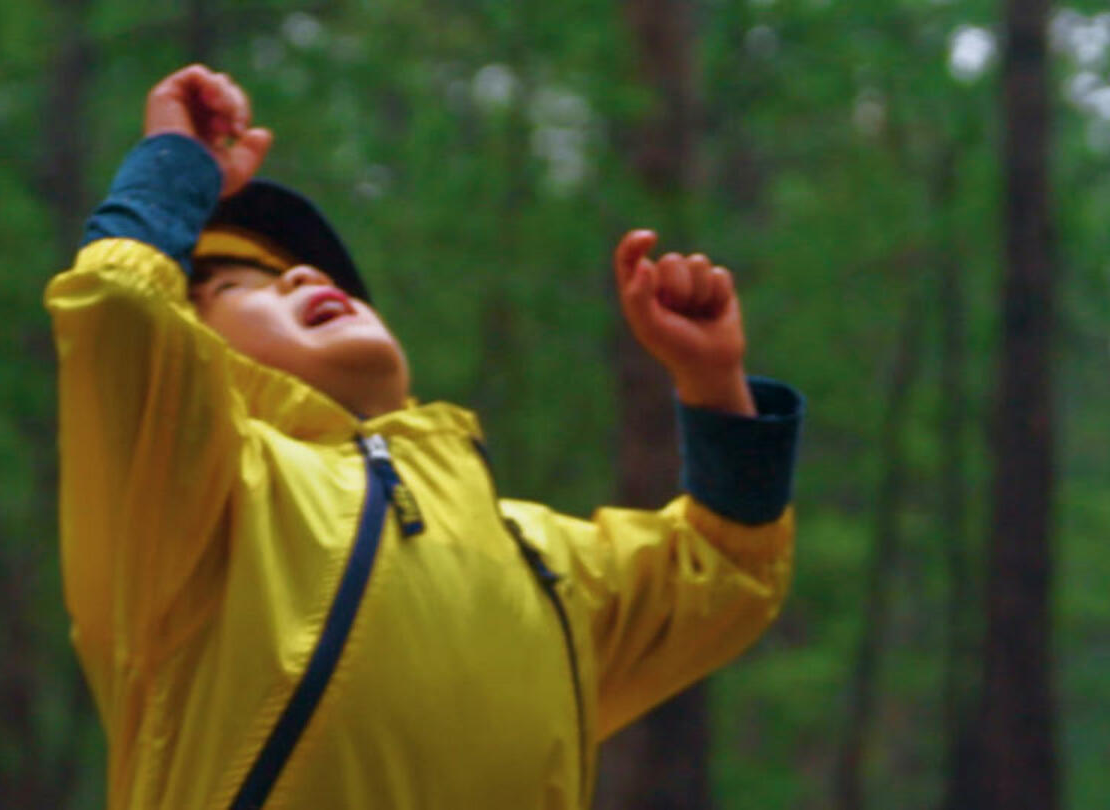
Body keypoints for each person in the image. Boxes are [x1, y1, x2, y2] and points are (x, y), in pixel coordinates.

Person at [46, 65, 803, 810]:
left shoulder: (536, 556)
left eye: (310, 271)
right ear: (195, 355)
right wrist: (177, 165)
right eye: (242, 287)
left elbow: (726, 569)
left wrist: (713, 385)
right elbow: (120, 304)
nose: (304, 276)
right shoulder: (194, 502)